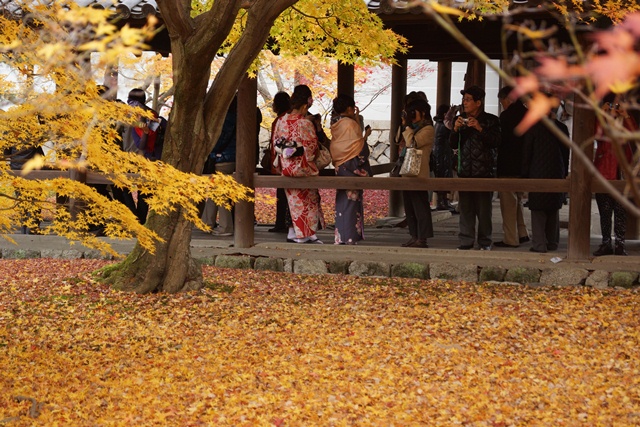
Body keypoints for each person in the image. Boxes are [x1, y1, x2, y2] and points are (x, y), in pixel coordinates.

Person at [449, 85, 501, 250]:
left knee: (484, 211)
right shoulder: (460, 119)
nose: (464, 103)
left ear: (478, 102)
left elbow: (496, 142)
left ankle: (485, 242)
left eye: (468, 100)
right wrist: (455, 129)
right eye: (464, 99)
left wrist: (479, 128)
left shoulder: (491, 120)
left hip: (484, 172)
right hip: (465, 171)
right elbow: (451, 144)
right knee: (465, 209)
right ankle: (466, 241)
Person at [273, 84, 325, 244]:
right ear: (304, 105)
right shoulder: (305, 123)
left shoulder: (281, 121)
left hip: (287, 166)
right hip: (303, 167)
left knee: (294, 201)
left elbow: (276, 143)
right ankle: (303, 234)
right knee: (309, 200)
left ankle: (299, 233)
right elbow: (311, 147)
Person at [521, 96, 570, 253]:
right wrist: (563, 173)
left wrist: (524, 176)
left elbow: (527, 154)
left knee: (538, 211)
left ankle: (539, 245)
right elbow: (566, 154)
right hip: (557, 172)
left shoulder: (533, 128)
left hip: (537, 173)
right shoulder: (562, 128)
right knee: (553, 209)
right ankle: (552, 243)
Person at [592, 94, 636, 256]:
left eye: (617, 105)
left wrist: (626, 116)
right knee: (604, 211)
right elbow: (597, 134)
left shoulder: (625, 122)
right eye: (611, 105)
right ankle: (605, 243)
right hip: (604, 171)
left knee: (620, 211)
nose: (614, 108)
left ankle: (620, 244)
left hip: (622, 173)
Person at [113, 88, 165, 224]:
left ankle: (133, 218)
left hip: (129, 155)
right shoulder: (153, 114)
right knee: (144, 190)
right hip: (149, 156)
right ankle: (140, 219)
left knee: (123, 187)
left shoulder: (126, 114)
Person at [329, 94, 373, 245]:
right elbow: (358, 148)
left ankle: (341, 236)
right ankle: (349, 237)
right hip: (352, 165)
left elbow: (346, 144)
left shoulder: (335, 123)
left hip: (340, 165)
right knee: (351, 202)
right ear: (349, 108)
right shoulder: (351, 124)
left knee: (343, 200)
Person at [494, 86, 530, 248]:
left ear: (508, 99)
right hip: (525, 165)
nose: (502, 105)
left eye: (502, 102)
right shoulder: (528, 114)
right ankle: (522, 233)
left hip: (508, 165)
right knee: (519, 200)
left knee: (508, 204)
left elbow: (501, 141)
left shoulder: (506, 116)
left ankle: (510, 238)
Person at [400, 98, 435, 248]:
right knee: (409, 207)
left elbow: (412, 143)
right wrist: (403, 125)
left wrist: (408, 127)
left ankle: (422, 238)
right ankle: (414, 236)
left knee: (420, 207)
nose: (412, 115)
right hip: (408, 172)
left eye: (414, 112)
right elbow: (397, 140)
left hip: (419, 174)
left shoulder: (428, 129)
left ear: (423, 113)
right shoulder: (412, 128)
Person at [201, 96, 238, 237]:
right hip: (228, 157)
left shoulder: (228, 118)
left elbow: (221, 138)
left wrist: (212, 151)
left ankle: (225, 226)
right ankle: (207, 223)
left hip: (223, 158)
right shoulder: (236, 116)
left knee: (219, 193)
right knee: (215, 191)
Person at [266, 91, 291, 233]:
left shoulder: (279, 121)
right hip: (292, 161)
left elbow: (275, 144)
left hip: (282, 162)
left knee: (282, 194)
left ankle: (281, 222)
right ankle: (287, 223)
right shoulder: (292, 118)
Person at [432, 104, 456, 213]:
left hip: (441, 153)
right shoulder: (443, 125)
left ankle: (444, 201)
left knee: (442, 176)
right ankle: (442, 202)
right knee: (442, 177)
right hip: (442, 154)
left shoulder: (438, 124)